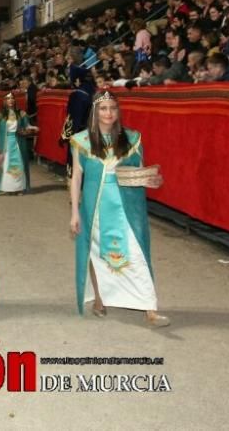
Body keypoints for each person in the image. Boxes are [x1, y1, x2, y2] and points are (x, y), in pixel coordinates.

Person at [69, 90, 169, 328]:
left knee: (137, 253)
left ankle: (150, 308)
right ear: (95, 112)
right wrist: (75, 211)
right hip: (95, 207)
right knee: (97, 252)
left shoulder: (132, 138)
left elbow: (140, 172)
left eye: (113, 108)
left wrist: (152, 181)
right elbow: (76, 177)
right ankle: (100, 299)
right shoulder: (81, 141)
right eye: (103, 109)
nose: (108, 113)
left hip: (127, 207)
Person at [0, 91, 33, 195]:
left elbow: (27, 126)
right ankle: (7, 188)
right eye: (8, 98)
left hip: (18, 142)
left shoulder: (21, 113)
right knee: (5, 165)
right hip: (5, 143)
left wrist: (32, 128)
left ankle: (19, 188)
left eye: (12, 98)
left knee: (19, 163)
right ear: (4, 101)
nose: (10, 100)